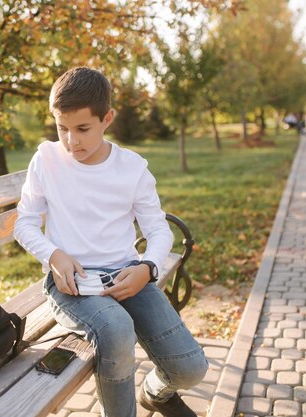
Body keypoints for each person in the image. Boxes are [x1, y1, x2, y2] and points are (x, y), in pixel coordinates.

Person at [14, 67, 208, 417]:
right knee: (117, 330)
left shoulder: (131, 168)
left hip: (127, 276)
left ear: (107, 119)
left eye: (82, 129)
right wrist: (53, 254)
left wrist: (147, 268)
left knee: (191, 369)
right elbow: (24, 223)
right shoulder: (45, 160)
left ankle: (155, 393)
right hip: (70, 284)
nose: (71, 141)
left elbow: (159, 230)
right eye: (62, 128)